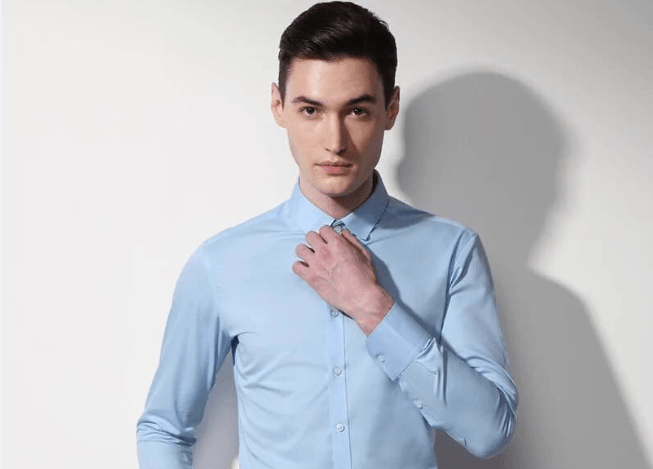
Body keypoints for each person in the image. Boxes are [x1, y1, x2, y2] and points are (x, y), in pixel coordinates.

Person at [136, 2, 518, 468]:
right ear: (278, 106)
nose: (335, 141)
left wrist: (372, 306)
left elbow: (489, 430)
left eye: (357, 110)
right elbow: (163, 428)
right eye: (311, 110)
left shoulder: (452, 251)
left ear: (390, 108)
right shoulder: (221, 263)